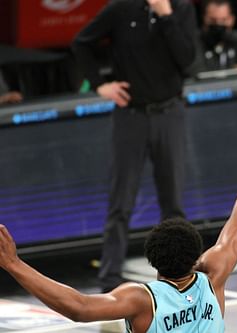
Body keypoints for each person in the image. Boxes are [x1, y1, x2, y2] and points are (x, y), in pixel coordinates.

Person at [0, 118, 237, 333]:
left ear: (151, 260)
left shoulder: (142, 300)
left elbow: (78, 307)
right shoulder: (213, 275)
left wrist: (14, 264)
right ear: (197, 256)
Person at [72, 0, 197, 293]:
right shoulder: (121, 9)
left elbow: (188, 60)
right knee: (121, 202)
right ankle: (110, 278)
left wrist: (166, 15)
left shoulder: (181, 8)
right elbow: (81, 43)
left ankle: (178, 276)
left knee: (173, 203)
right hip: (131, 116)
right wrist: (100, 84)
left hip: (170, 113)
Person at [189, 0, 237, 75]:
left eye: (224, 20)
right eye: (213, 20)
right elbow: (197, 74)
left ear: (232, 19)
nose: (219, 24)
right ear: (204, 18)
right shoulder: (194, 40)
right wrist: (233, 72)